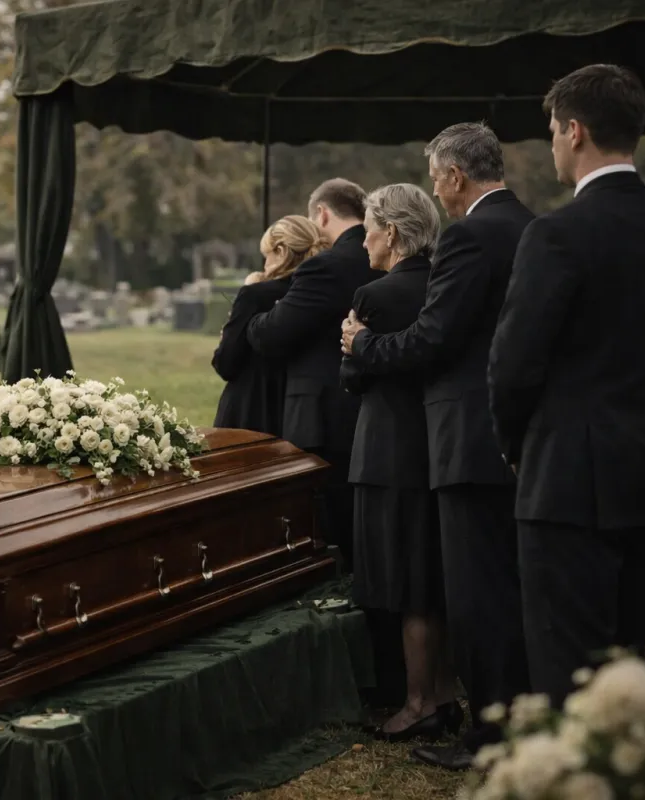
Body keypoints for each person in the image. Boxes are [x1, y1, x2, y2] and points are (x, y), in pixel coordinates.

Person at [489, 64, 645, 709]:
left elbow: (514, 363)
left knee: (569, 668)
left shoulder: (555, 234)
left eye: (553, 132)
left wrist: (515, 446)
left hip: (570, 482)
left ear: (575, 131)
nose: (553, 146)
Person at [341, 122, 534, 769]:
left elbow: (434, 337)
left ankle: (490, 737)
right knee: (512, 588)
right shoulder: (533, 227)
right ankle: (518, 718)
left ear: (454, 175)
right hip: (517, 434)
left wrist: (362, 345)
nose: (437, 193)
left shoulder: (469, 236)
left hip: (466, 437)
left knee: (478, 597)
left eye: (435, 179)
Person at [341, 184, 458, 741]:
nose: (363, 240)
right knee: (435, 576)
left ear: (390, 232)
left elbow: (351, 376)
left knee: (406, 584)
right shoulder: (445, 285)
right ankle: (445, 692)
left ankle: (416, 703)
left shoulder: (375, 295)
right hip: (440, 444)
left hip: (388, 449)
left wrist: (356, 349)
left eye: (368, 229)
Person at [247, 179, 379, 559]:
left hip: (322, 416)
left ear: (321, 214)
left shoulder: (325, 267)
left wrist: (257, 306)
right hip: (374, 409)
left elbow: (272, 334)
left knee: (327, 527)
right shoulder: (385, 258)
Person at [213, 215, 330, 436]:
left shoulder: (255, 295)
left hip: (250, 409)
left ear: (281, 252)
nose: (265, 264)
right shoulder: (319, 296)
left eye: (266, 255)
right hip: (298, 412)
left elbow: (226, 363)